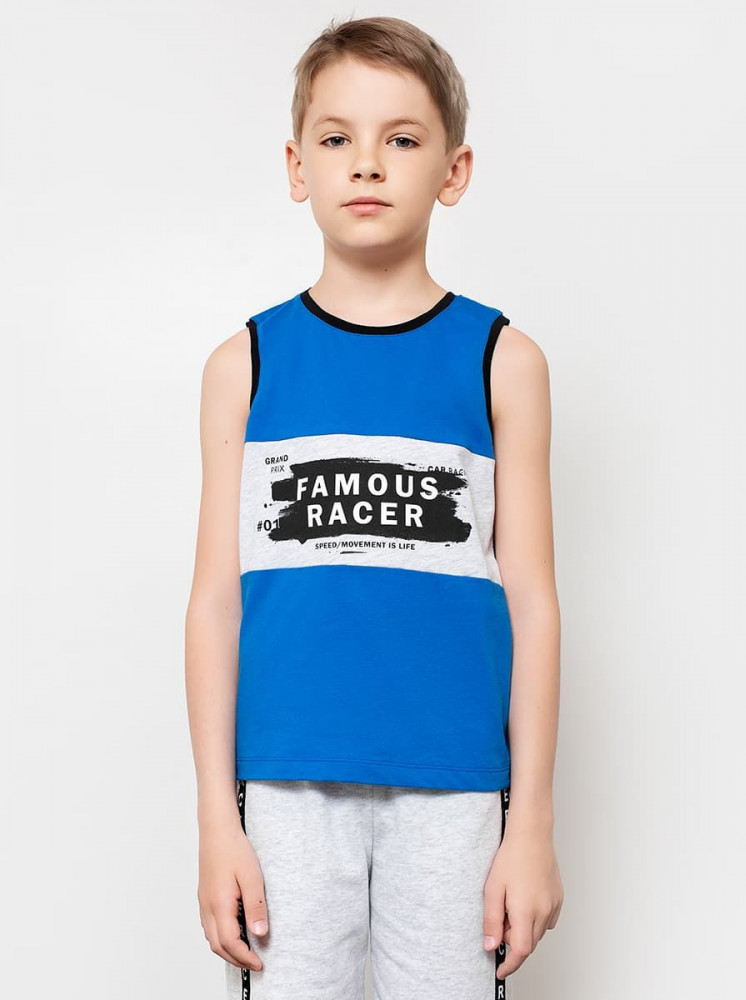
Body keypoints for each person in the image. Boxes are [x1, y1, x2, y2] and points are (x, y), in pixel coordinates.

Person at [185, 15, 563, 999]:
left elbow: (532, 602)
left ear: (453, 170)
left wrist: (531, 824)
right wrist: (216, 820)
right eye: (336, 137)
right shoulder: (244, 365)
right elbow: (216, 603)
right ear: (297, 165)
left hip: (456, 784)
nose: (366, 162)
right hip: (285, 787)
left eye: (401, 138)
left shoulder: (503, 362)